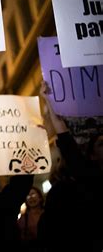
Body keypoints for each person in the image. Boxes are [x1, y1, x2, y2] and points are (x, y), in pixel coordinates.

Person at [37, 80, 103, 252]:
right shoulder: (88, 175)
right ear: (92, 156)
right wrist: (47, 99)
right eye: (101, 145)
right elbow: (61, 129)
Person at [16, 186, 44, 252]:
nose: (31, 198)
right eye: (28, 196)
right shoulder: (23, 218)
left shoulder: (47, 214)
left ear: (40, 197)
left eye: (33, 194)